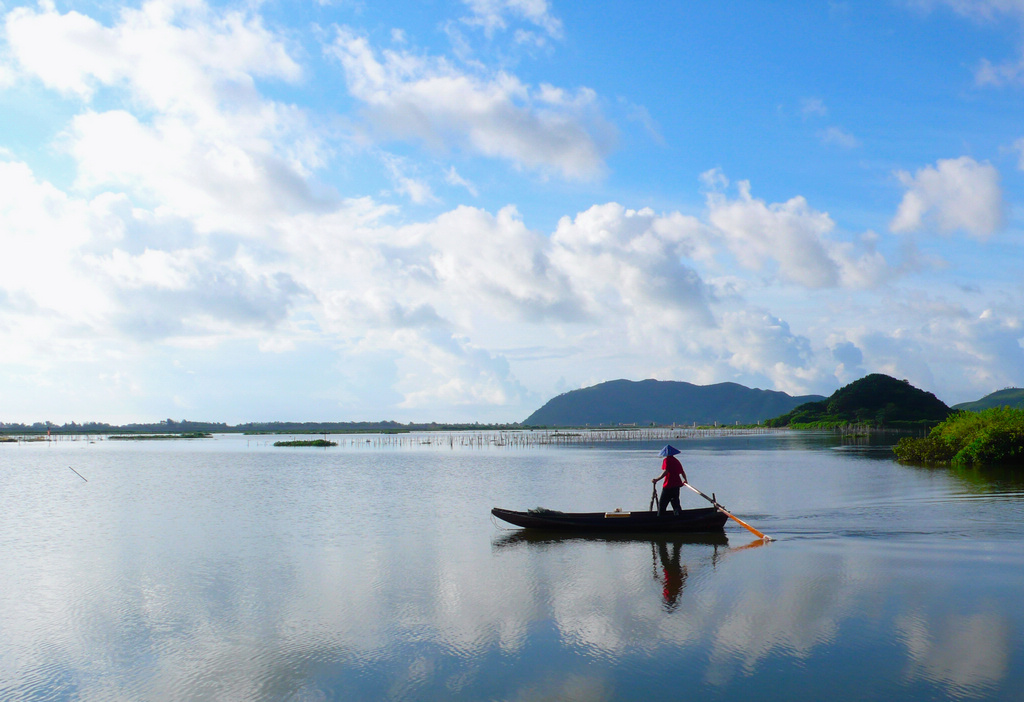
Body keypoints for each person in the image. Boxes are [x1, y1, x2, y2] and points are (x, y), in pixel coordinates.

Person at [652, 444, 687, 516]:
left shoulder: (666, 460)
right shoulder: (676, 461)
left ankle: (660, 519)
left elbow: (666, 471)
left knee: (662, 505)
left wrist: (657, 479)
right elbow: (682, 472)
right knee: (676, 504)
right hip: (677, 485)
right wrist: (685, 480)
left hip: (668, 486)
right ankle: (678, 517)